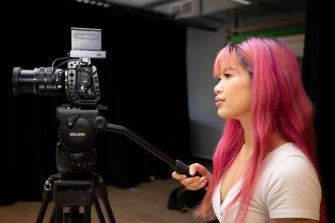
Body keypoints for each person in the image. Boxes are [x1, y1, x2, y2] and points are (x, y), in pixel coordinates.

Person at [172, 37, 326, 223]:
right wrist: (210, 184)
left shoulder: (290, 170)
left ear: (264, 81)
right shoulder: (240, 149)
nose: (216, 88)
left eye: (227, 76)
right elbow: (248, 205)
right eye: (219, 78)